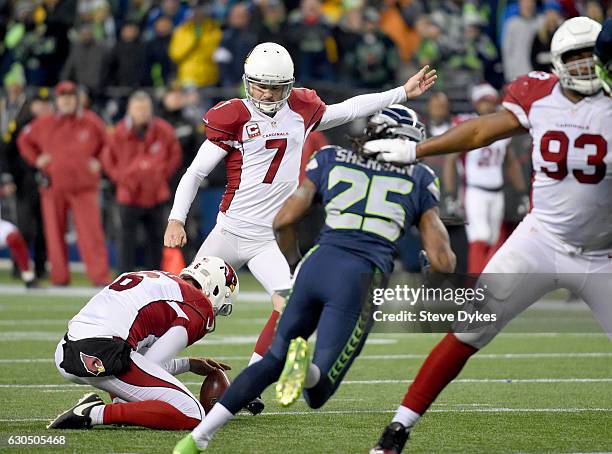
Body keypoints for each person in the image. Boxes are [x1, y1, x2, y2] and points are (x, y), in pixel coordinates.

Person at [369, 17, 611, 454]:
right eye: (575, 57)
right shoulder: (537, 94)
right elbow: (481, 130)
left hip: (604, 255)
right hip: (540, 239)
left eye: (591, 55)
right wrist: (415, 149)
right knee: (468, 327)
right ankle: (398, 429)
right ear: (557, 63)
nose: (585, 65)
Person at [163, 41, 436, 410]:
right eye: (260, 85)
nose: (267, 93)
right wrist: (176, 218)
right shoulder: (234, 116)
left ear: (289, 85)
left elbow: (349, 108)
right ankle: (150, 366)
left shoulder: (302, 110)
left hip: (267, 239)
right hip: (227, 232)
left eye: (275, 87)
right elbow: (195, 173)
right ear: (247, 82)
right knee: (186, 305)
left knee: (288, 309)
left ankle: (249, 388)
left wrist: (401, 93)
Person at [173, 106, 456, 453]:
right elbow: (443, 261)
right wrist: (432, 264)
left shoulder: (331, 157)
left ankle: (197, 439)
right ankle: (305, 368)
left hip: (315, 264)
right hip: (359, 278)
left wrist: (296, 265)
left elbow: (283, 221)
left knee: (275, 358)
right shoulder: (421, 177)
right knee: (318, 390)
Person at [47, 256, 242, 431]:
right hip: (104, 354)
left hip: (67, 352)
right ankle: (93, 413)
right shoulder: (198, 306)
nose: (217, 312)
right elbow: (153, 363)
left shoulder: (160, 279)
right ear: (216, 289)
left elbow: (142, 357)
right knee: (192, 413)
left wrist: (189, 364)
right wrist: (187, 365)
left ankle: (119, 401)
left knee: (131, 355)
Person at [17, 80, 111, 286]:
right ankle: (59, 277)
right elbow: (23, 140)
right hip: (53, 187)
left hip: (84, 187)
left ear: (76, 99)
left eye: (70, 96)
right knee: (54, 234)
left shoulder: (91, 121)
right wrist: (36, 159)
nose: (67, 100)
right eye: (63, 96)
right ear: (57, 100)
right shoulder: (44, 123)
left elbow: (108, 145)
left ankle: (99, 277)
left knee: (91, 234)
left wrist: (100, 162)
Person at [442, 83, 527, 274]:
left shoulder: (502, 126)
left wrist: (522, 193)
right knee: (480, 236)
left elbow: (511, 162)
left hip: (497, 191)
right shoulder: (466, 124)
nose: (487, 106)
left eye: (490, 101)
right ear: (476, 103)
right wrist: (450, 193)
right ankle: (474, 288)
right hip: (474, 190)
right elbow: (450, 160)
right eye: (483, 102)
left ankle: (486, 284)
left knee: (493, 239)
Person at [102, 91, 182, 273]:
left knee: (156, 239)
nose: (142, 113)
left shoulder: (163, 130)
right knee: (125, 239)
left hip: (156, 192)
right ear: (130, 110)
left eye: (145, 109)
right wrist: (121, 179)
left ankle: (154, 278)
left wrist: (161, 174)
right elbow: (107, 159)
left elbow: (174, 155)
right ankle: (124, 278)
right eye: (138, 109)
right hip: (129, 193)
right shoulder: (119, 132)